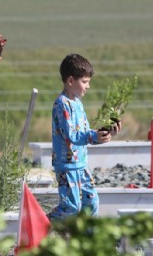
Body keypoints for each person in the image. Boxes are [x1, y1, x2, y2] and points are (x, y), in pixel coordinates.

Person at [47, 53, 121, 221]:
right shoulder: (62, 104)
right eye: (85, 82)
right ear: (71, 81)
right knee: (72, 207)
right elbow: (71, 134)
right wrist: (93, 136)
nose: (88, 86)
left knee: (92, 201)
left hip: (80, 162)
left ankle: (87, 239)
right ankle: (42, 225)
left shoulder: (78, 103)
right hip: (67, 166)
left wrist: (105, 133)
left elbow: (85, 131)